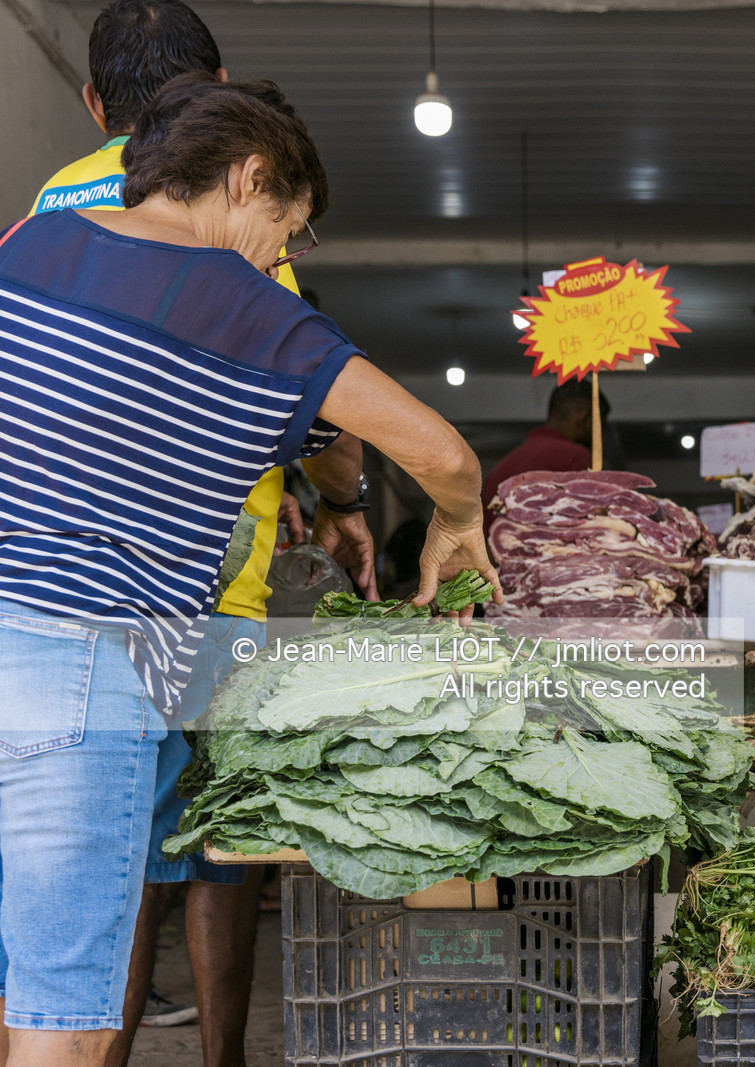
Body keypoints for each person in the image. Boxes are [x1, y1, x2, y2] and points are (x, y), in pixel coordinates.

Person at [0, 74, 497, 1067]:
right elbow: (439, 452)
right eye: (288, 227)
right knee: (69, 1015)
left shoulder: (29, 246)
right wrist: (453, 523)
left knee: (22, 968)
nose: (283, 254)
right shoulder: (251, 309)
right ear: (249, 177)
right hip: (79, 663)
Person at [30, 3, 378, 1060]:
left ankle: (113, 1043)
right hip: (204, 588)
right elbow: (302, 397)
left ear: (95, 105)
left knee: (108, 848)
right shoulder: (233, 213)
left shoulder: (52, 208)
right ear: (222, 90)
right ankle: (222, 1054)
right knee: (223, 839)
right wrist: (345, 499)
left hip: (58, 600)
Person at [481, 379, 610, 507]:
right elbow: (590, 522)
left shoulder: (498, 472)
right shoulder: (576, 458)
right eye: (600, 427)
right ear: (584, 419)